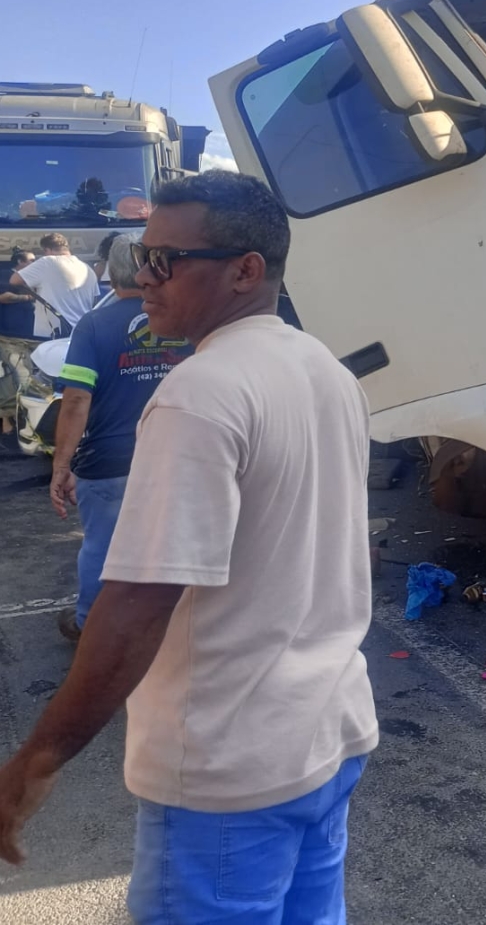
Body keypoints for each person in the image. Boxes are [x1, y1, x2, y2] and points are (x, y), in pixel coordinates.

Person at [0, 170, 377, 925]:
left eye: (167, 262)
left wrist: (33, 765)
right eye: (143, 259)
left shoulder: (199, 393)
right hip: (328, 733)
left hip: (228, 767)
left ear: (245, 270)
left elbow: (137, 600)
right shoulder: (325, 370)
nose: (145, 280)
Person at [50, 233, 194, 643]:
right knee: (175, 542)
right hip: (176, 458)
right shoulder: (184, 319)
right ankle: (175, 625)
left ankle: (89, 624)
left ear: (112, 274)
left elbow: (76, 399)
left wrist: (62, 465)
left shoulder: (94, 324)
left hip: (109, 463)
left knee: (103, 547)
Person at [9, 232, 98, 338]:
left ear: (47, 250)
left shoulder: (47, 262)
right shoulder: (87, 269)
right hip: (82, 333)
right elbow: (95, 301)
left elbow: (14, 280)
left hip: (54, 335)